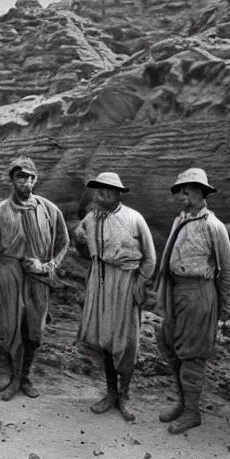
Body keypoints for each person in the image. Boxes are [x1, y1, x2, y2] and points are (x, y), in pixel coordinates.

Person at [156, 168, 230, 434]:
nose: (182, 195)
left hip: (199, 293)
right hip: (176, 291)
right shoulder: (180, 221)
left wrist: (227, 307)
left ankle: (192, 412)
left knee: (192, 352)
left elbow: (227, 268)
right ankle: (183, 402)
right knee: (171, 345)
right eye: (180, 190)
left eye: (188, 190)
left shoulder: (213, 226)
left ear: (202, 193)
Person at [0, 157, 69, 401]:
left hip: (38, 278)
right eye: (20, 176)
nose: (26, 181)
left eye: (30, 177)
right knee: (12, 327)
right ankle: (14, 376)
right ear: (12, 179)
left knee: (34, 329)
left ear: (36, 179)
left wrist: (49, 265)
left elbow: (64, 242)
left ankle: (25, 376)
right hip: (8, 276)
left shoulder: (49, 210)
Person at [73, 172, 156, 421]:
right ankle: (110, 393)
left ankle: (125, 394)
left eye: (109, 189)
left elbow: (150, 257)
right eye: (99, 189)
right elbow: (81, 240)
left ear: (118, 192)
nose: (103, 194)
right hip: (100, 280)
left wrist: (139, 284)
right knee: (104, 338)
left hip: (126, 281)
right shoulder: (92, 218)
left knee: (127, 341)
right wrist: (80, 236)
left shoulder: (134, 218)